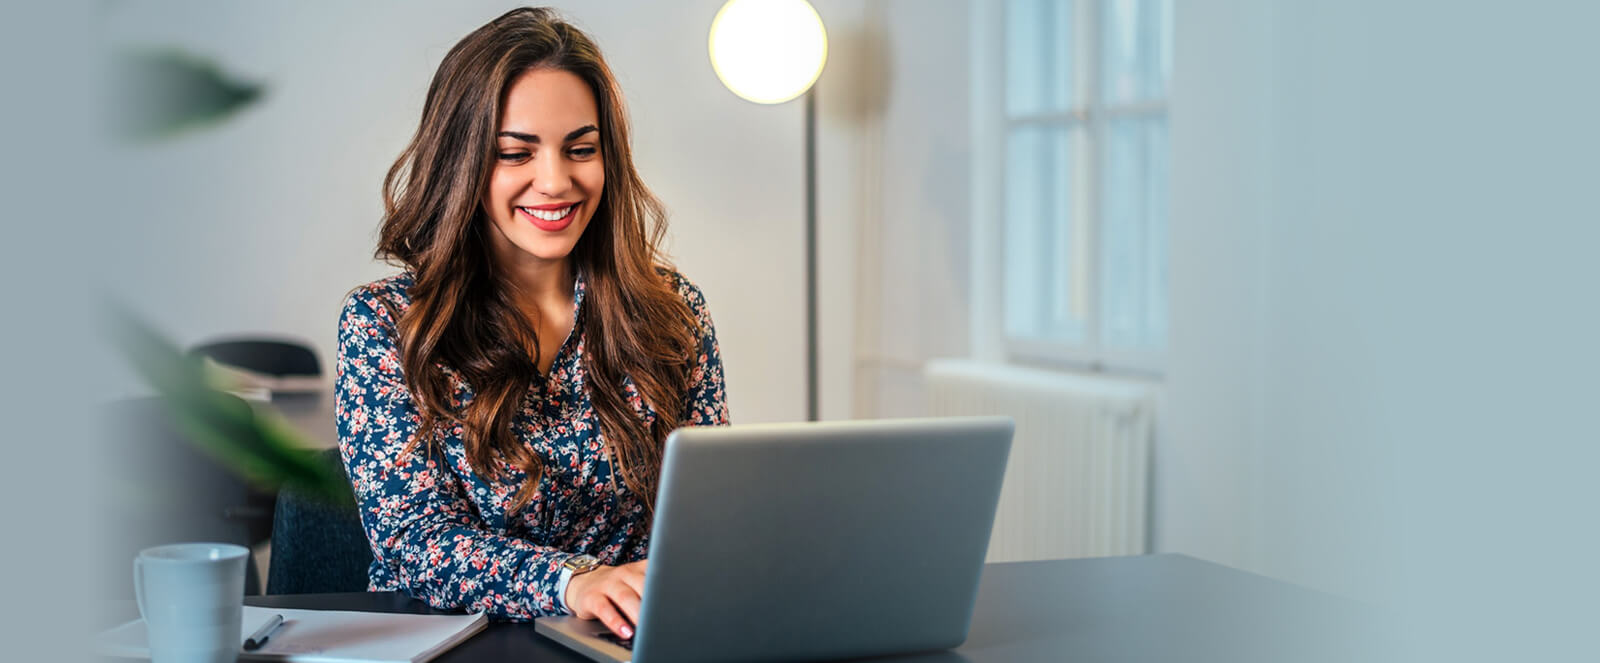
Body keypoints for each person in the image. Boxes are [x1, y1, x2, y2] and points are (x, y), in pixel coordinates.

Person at [335, 7, 728, 640]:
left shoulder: (673, 311)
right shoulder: (387, 323)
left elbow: (710, 515)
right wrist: (573, 581)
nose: (556, 182)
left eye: (581, 149)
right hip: (457, 645)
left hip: (632, 644)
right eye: (516, 154)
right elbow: (415, 544)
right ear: (461, 164)